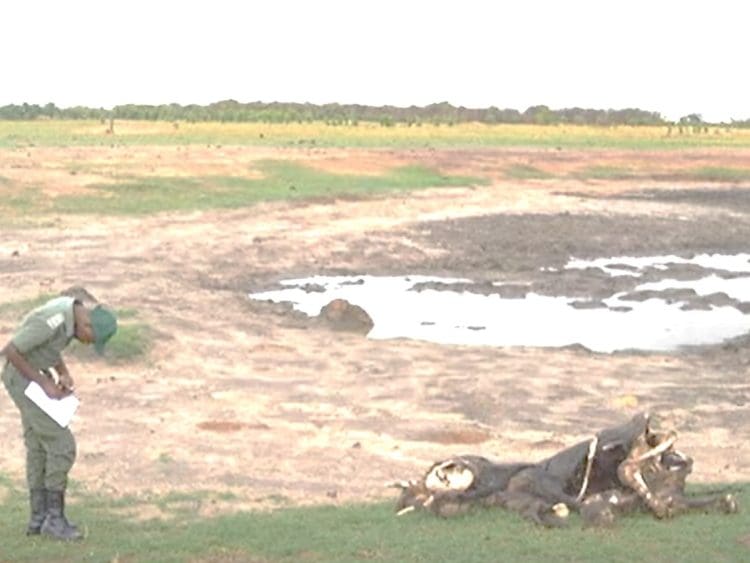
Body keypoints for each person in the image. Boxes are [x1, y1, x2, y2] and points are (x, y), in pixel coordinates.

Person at [1, 294, 117, 541]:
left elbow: (48, 348)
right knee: (62, 446)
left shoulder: (70, 316)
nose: (87, 344)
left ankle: (39, 518)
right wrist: (45, 383)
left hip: (27, 378)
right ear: (87, 325)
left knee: (38, 446)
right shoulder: (52, 320)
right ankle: (54, 520)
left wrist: (62, 373)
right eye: (91, 340)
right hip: (22, 380)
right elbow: (10, 351)